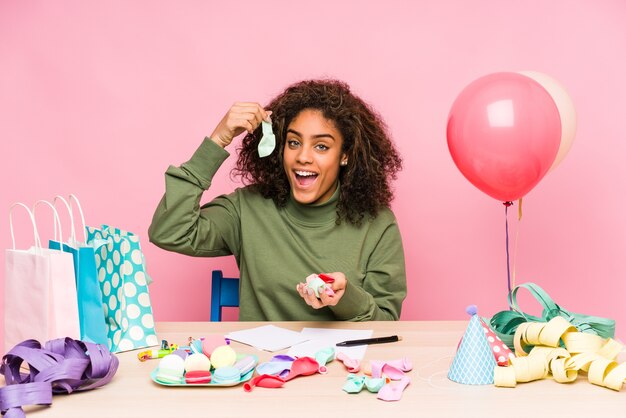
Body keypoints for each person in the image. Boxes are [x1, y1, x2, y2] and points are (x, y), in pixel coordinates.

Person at [148, 79, 406, 321]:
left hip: (340, 367)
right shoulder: (246, 208)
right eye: (293, 142)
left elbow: (387, 323)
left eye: (321, 146)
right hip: (260, 366)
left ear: (345, 156)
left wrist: (345, 298)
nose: (303, 157)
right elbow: (169, 231)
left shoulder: (378, 224)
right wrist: (218, 140)